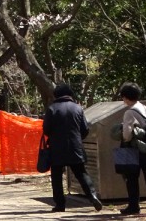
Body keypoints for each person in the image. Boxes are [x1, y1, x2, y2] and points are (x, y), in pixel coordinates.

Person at [42, 83, 102, 213]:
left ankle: (60, 205)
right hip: (76, 147)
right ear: (70, 94)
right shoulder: (78, 108)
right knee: (81, 173)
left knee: (57, 177)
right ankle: (92, 196)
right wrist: (77, 138)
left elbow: (46, 130)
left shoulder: (52, 109)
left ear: (56, 95)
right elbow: (85, 129)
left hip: (57, 148)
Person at [118, 82, 146, 215]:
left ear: (125, 97)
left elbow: (126, 135)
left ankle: (133, 206)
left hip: (133, 149)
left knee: (131, 178)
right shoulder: (145, 108)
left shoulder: (129, 112)